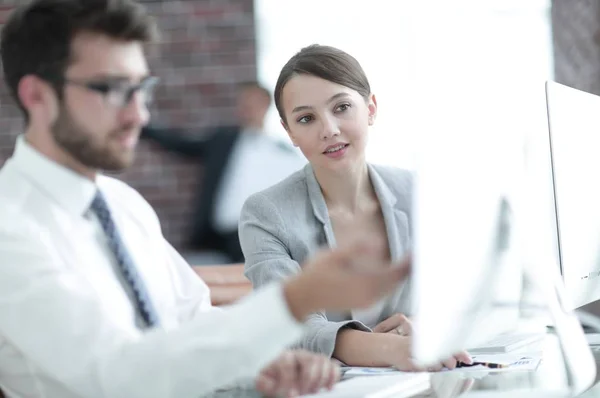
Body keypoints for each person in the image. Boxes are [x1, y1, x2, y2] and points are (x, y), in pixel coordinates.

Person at [0, 2, 413, 397]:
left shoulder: (121, 204)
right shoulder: (11, 228)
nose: (138, 114)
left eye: (141, 88)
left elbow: (192, 319)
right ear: (38, 96)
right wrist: (294, 300)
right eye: (110, 89)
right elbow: (116, 376)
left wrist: (263, 363)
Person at [239, 44, 472, 371]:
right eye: (306, 118)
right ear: (289, 131)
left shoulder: (419, 191)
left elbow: (459, 290)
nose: (329, 130)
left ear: (371, 108)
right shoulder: (265, 213)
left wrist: (424, 326)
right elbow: (290, 325)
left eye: (342, 107)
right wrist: (390, 348)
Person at [142, 81, 306, 263]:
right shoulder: (223, 141)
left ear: (266, 104)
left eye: (251, 102)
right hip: (217, 237)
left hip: (260, 238)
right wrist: (144, 128)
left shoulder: (283, 153)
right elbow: (182, 144)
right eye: (242, 103)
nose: (245, 108)